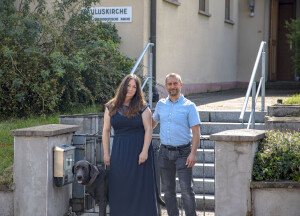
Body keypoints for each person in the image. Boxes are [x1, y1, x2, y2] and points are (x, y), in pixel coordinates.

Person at [102, 74, 158, 216]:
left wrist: (145, 151)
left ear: (138, 90)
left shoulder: (143, 107)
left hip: (140, 151)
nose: (131, 89)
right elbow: (106, 130)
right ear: (123, 86)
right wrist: (106, 153)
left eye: (134, 87)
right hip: (119, 151)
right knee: (120, 185)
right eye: (128, 85)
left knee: (141, 188)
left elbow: (149, 129)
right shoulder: (111, 106)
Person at [152, 73, 201, 216]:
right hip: (164, 153)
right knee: (168, 190)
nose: (172, 86)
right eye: (169, 84)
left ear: (180, 85)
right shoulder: (160, 104)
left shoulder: (190, 106)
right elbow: (152, 124)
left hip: (184, 153)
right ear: (166, 86)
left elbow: (196, 132)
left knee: (186, 190)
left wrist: (193, 154)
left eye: (175, 83)